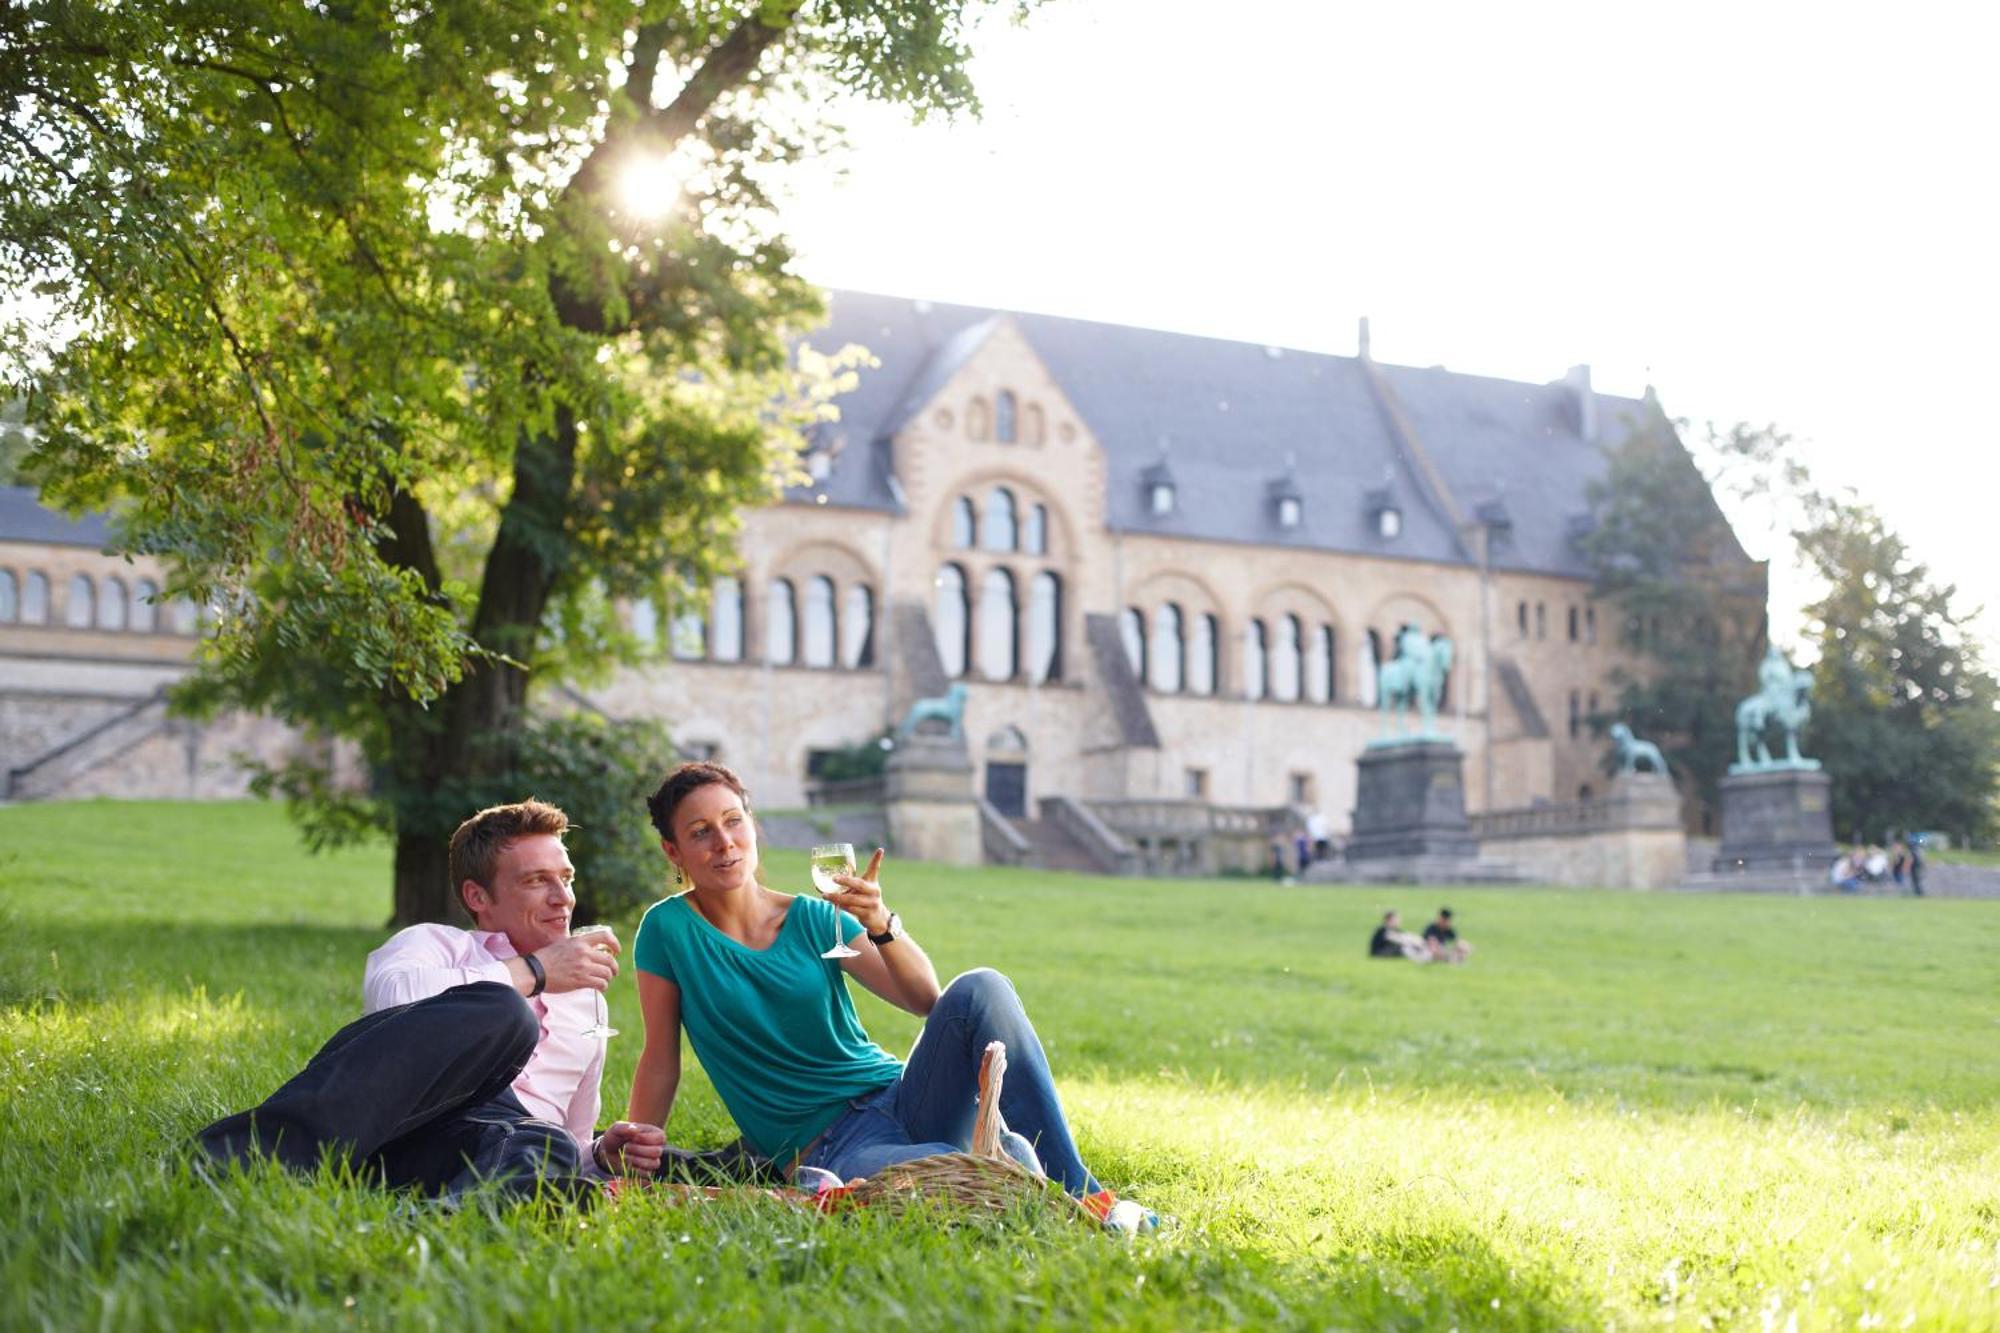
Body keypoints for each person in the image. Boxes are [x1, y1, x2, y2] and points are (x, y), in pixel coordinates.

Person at [626, 761, 1154, 1232]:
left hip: (899, 1093)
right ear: (674, 850)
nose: (725, 842)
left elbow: (928, 999)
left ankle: (1083, 1195)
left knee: (982, 986)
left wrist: (879, 921)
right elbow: (659, 1060)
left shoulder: (812, 917)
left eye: (733, 820)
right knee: (950, 1174)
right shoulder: (668, 931)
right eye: (701, 832)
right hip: (831, 1145)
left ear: (751, 824)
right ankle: (1000, 1156)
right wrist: (638, 1152)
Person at [196, 799, 731, 1201]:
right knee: (505, 1014)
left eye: (565, 878)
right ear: (479, 897)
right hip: (408, 1121)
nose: (563, 898)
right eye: (537, 881)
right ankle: (235, 1157)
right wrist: (535, 972)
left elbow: (572, 1128)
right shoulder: (435, 945)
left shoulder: (588, 1002)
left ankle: (441, 1222)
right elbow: (394, 1005)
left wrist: (601, 1153)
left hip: (482, 1149)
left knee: (550, 1148)